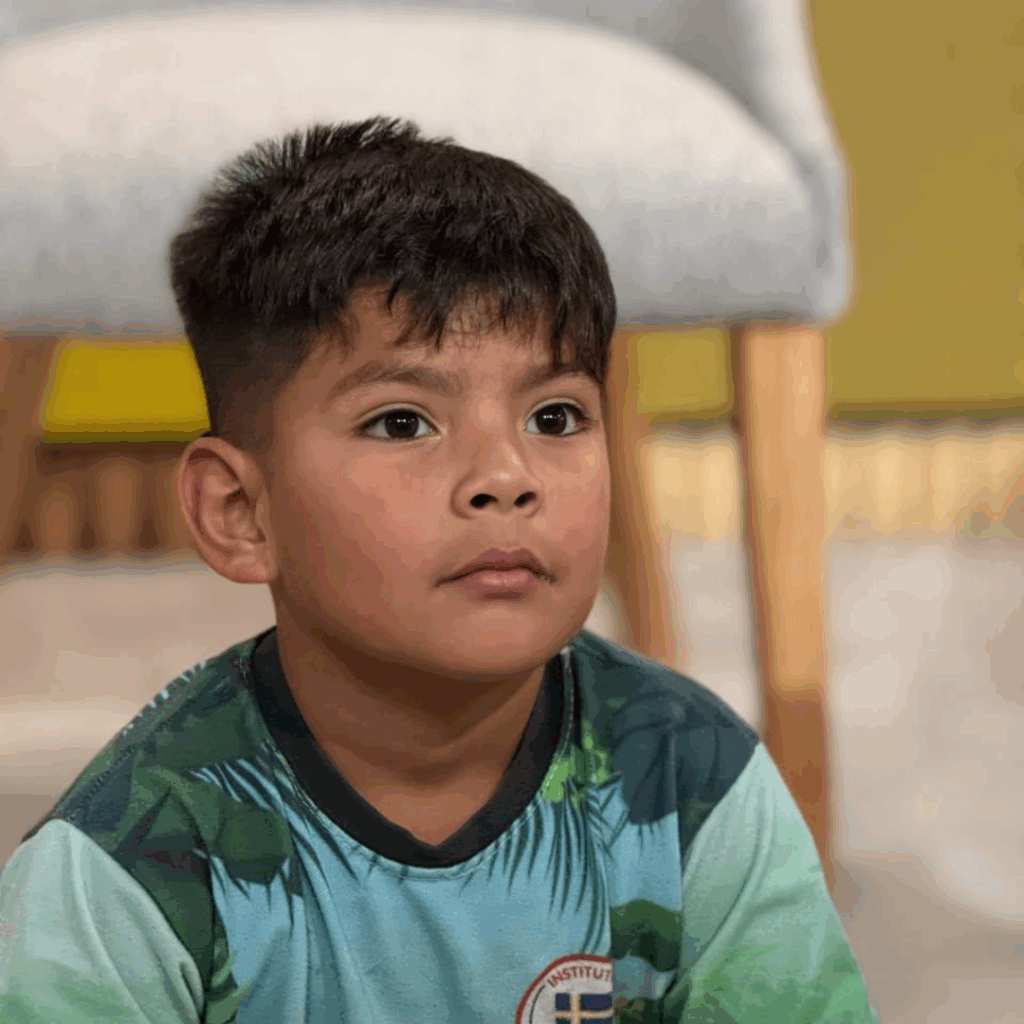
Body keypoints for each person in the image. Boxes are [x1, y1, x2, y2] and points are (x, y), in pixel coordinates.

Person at [0, 118, 878, 1023]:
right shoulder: (121, 873)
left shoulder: (695, 782)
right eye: (402, 423)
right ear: (240, 512)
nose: (506, 476)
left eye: (555, 417)